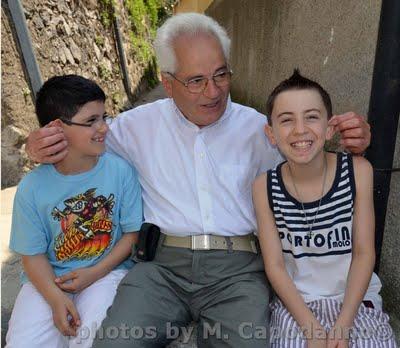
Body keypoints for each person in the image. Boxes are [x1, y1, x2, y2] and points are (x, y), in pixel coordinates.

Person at [25, 13, 371, 347]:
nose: (213, 91)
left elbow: (312, 152)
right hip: (160, 269)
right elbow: (82, 137)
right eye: (196, 81)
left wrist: (348, 139)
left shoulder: (259, 128)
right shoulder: (136, 126)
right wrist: (36, 145)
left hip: (239, 271)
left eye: (221, 75)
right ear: (167, 83)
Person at [253, 70, 396, 347]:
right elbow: (275, 267)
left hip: (355, 301)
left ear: (329, 128)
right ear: (270, 134)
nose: (300, 129)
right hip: (297, 306)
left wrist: (342, 326)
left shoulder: (357, 171)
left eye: (311, 117)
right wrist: (312, 329)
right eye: (286, 120)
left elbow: (365, 253)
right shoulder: (264, 187)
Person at [6, 75, 143, 348]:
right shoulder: (32, 188)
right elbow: (31, 255)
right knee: (24, 342)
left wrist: (93, 273)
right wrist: (55, 298)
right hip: (47, 280)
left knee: (94, 336)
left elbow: (131, 236)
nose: (104, 128)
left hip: (106, 272)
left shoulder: (120, 172)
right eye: (91, 121)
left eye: (104, 117)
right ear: (56, 128)